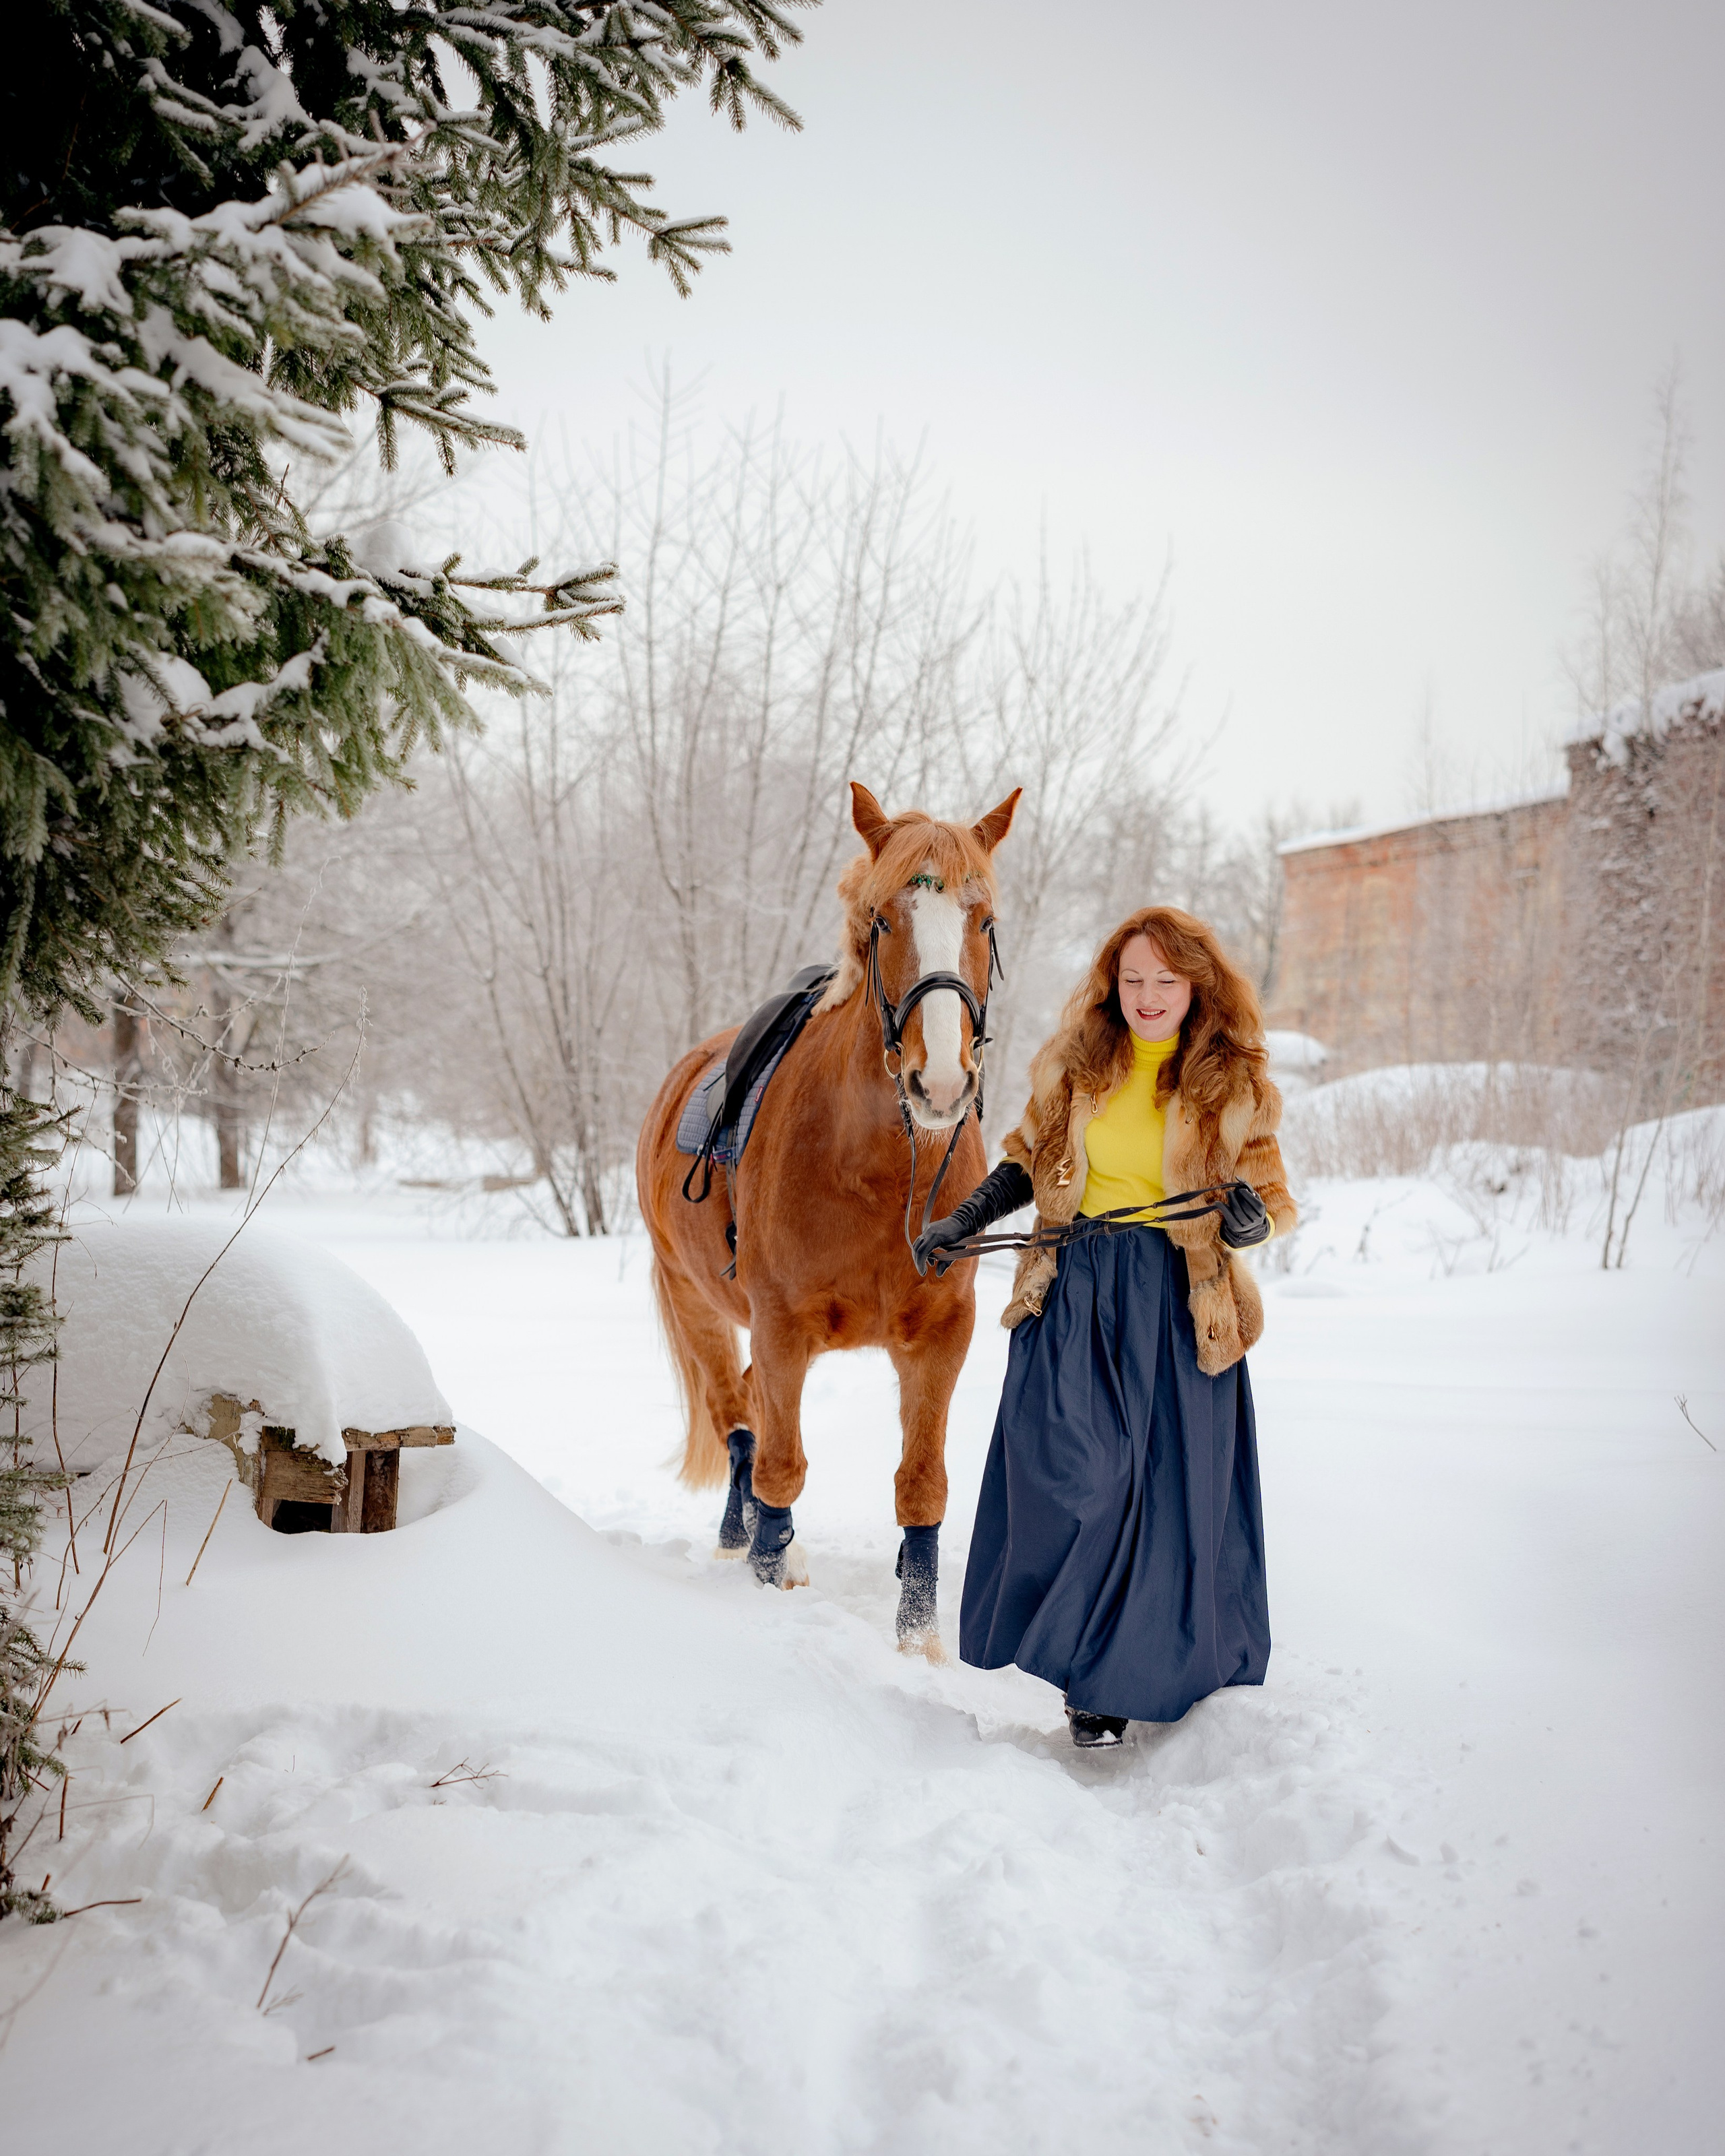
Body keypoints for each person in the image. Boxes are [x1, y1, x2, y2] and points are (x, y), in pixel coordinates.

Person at [914, 907, 1296, 1748]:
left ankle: (1102, 1688)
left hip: (1179, 1304)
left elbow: (1272, 1199)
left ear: (1196, 986)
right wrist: (964, 1218)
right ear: (1110, 984)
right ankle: (1077, 1651)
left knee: (1159, 1495)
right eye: (1132, 979)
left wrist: (1249, 1222)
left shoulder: (1234, 1084)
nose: (1147, 995)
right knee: (1078, 1477)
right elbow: (1024, 1158)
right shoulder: (1076, 1062)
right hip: (1074, 1292)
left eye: (1165, 980)